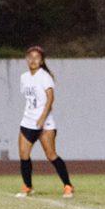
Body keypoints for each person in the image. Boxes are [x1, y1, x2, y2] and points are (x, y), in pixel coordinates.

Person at [17, 45, 74, 198]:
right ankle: (27, 186)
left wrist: (42, 117)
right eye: (30, 57)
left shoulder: (44, 76)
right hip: (28, 122)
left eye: (36, 58)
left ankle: (68, 185)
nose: (33, 60)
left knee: (51, 155)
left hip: (44, 123)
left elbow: (50, 98)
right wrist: (32, 117)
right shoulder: (24, 77)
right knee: (23, 154)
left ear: (41, 61)